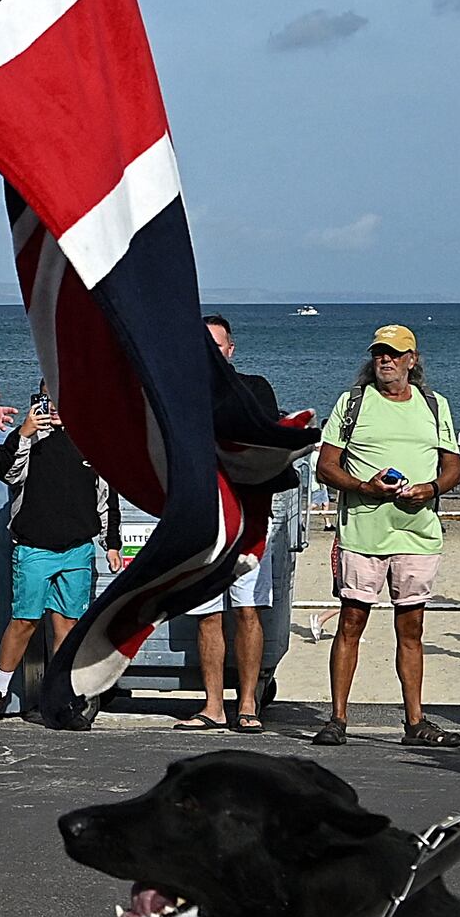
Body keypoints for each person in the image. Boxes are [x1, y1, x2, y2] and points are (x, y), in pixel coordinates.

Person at [308, 325, 460, 748]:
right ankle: (337, 718)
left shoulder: (434, 404)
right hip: (362, 533)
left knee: (411, 629)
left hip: (418, 533)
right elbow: (326, 466)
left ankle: (415, 722)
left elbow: (453, 466)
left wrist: (429, 489)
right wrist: (364, 487)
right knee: (351, 622)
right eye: (379, 353)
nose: (385, 360)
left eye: (394, 354)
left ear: (413, 359)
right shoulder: (353, 402)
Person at [0, 395, 113, 724]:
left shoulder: (90, 442)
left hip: (78, 548)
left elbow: (107, 495)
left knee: (67, 626)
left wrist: (112, 543)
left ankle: (62, 699)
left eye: (60, 401)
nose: (53, 408)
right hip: (34, 547)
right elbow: (6, 473)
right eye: (46, 400)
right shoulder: (30, 440)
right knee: (24, 621)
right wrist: (23, 434)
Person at [194, 312, 293, 731]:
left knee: (247, 611)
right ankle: (212, 705)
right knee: (207, 615)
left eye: (216, 346)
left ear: (230, 350)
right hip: (203, 522)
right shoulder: (182, 395)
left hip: (250, 520)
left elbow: (265, 441)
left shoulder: (254, 388)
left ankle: (247, 704)